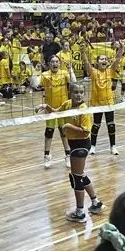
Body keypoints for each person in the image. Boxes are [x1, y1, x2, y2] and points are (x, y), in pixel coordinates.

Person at [40, 82, 103, 221]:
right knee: (80, 175)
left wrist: (68, 126)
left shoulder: (84, 110)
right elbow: (56, 112)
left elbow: (86, 131)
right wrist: (46, 106)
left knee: (76, 178)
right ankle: (95, 202)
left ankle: (80, 212)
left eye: (81, 92)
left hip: (81, 144)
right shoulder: (67, 104)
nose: (78, 95)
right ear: (70, 93)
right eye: (75, 92)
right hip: (73, 143)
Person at [82, 43, 121, 156]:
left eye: (106, 59)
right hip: (97, 104)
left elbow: (117, 59)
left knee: (111, 125)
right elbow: (86, 62)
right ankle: (93, 146)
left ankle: (113, 146)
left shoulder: (110, 71)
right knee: (96, 125)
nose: (104, 61)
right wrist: (83, 51)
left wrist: (121, 48)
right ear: (97, 62)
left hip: (109, 103)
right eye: (102, 59)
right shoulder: (93, 72)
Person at [40, 55, 72, 168]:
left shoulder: (64, 73)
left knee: (64, 131)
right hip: (50, 108)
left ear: (59, 63)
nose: (55, 64)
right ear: (49, 64)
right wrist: (36, 70)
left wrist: (71, 69)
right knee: (49, 131)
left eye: (57, 62)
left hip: (63, 108)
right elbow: (34, 84)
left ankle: (68, 155)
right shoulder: (45, 75)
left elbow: (74, 82)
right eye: (52, 62)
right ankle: (47, 156)